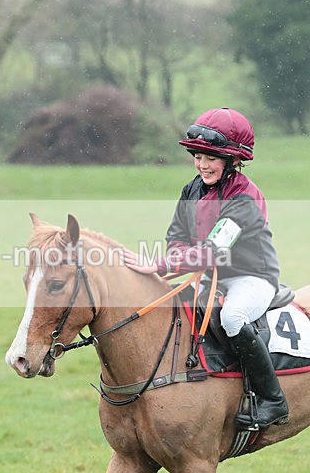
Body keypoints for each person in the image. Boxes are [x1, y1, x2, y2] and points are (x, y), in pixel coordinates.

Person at [123, 107, 289, 430]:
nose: (202, 165)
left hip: (252, 278)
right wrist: (175, 257)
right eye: (197, 157)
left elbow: (213, 251)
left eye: (210, 158)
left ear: (232, 160)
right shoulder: (192, 189)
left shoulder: (244, 198)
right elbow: (176, 237)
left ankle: (273, 400)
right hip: (211, 276)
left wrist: (161, 265)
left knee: (232, 317)